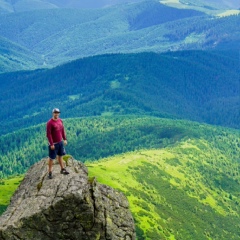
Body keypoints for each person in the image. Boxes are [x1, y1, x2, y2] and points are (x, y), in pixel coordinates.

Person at [46, 108, 69, 179]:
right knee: (51, 158)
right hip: (54, 143)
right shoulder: (49, 123)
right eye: (55, 113)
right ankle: (50, 172)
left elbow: (62, 130)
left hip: (60, 142)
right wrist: (51, 144)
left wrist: (64, 139)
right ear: (53, 113)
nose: (56, 114)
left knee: (60, 156)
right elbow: (48, 134)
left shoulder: (60, 121)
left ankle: (62, 169)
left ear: (59, 113)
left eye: (58, 112)